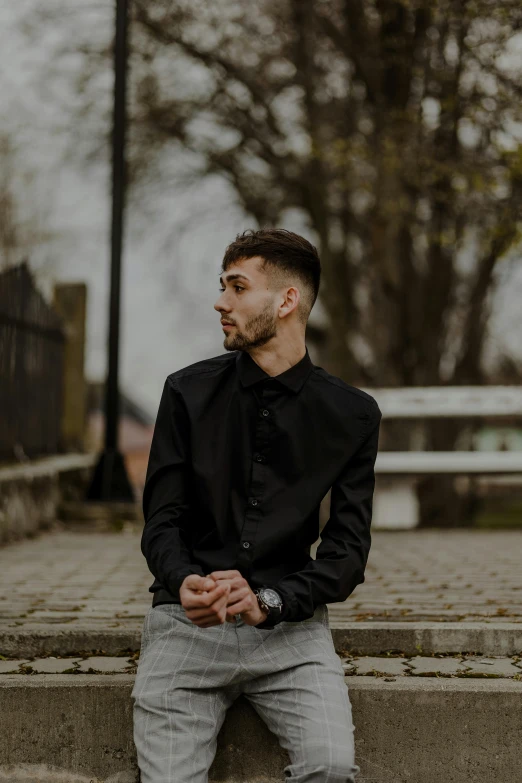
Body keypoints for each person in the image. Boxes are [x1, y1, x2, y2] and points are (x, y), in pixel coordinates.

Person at [131, 228, 381, 782]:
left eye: (237, 287)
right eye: (223, 286)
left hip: (291, 634)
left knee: (332, 766)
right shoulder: (186, 393)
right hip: (184, 624)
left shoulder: (352, 415)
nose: (220, 302)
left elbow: (347, 551)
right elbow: (161, 522)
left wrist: (271, 598)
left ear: (287, 301)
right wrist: (182, 579)